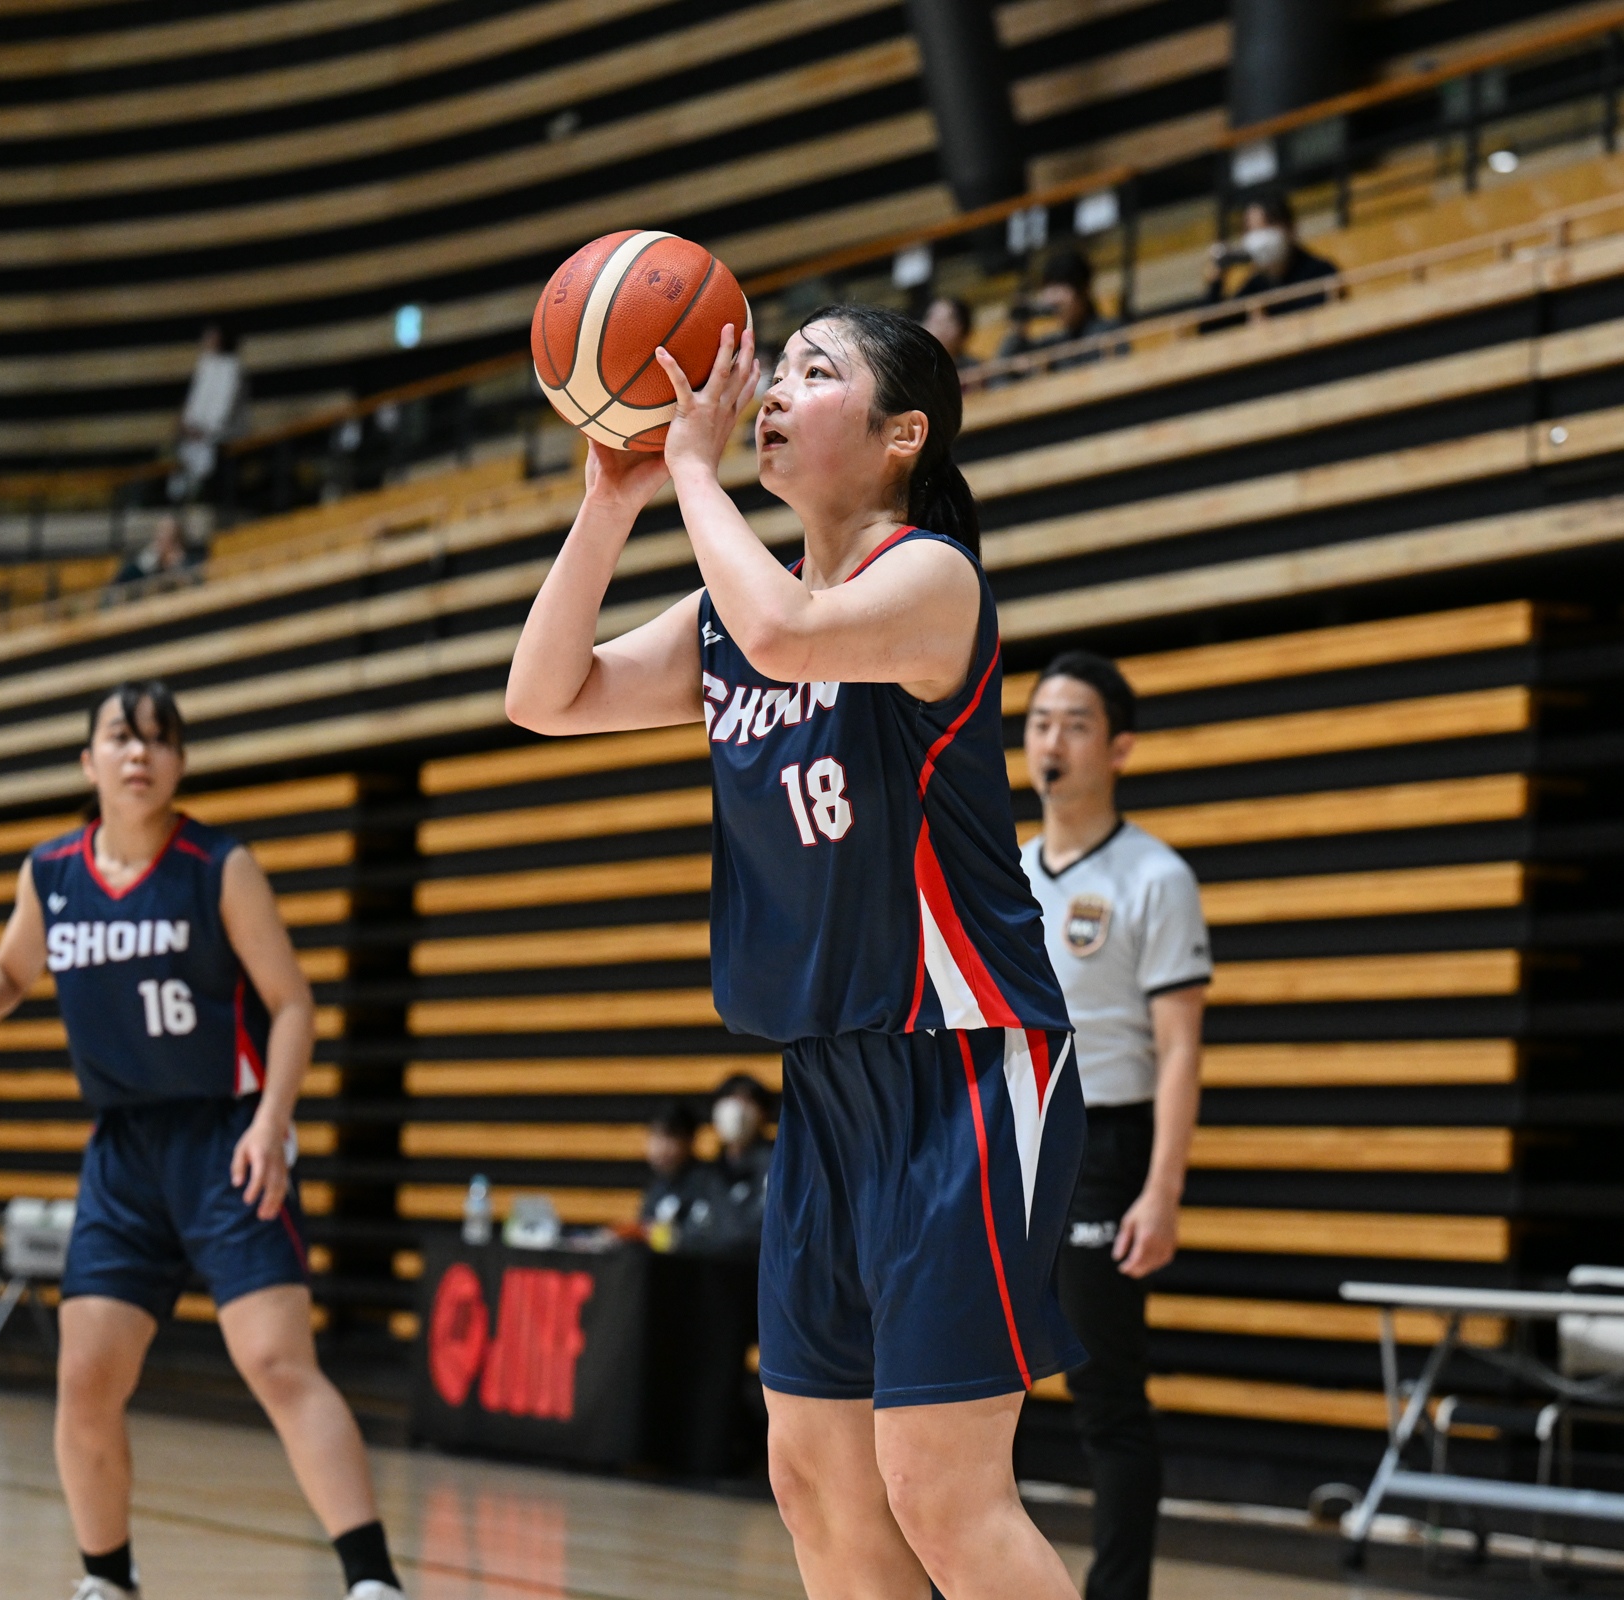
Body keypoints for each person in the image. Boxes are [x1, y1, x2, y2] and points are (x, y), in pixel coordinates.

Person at [506, 305, 1084, 1600]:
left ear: (901, 435)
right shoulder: (734, 615)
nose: (769, 390)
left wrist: (692, 473)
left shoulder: (932, 580)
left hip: (966, 1070)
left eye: (815, 372)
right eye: (780, 368)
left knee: (940, 1489)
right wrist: (610, 501)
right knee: (814, 1477)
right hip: (826, 1084)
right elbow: (544, 695)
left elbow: (781, 632)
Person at [0, 682, 404, 1600]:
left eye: (160, 740)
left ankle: (372, 1581)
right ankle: (107, 1580)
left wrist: (272, 1121)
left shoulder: (218, 866)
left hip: (225, 1140)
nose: (140, 754)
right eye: (122, 738)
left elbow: (292, 1004)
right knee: (86, 1375)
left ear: (180, 764)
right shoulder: (52, 872)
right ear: (88, 761)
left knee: (276, 1362)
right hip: (124, 1154)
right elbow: (12, 968)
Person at [1020, 654, 1210, 1600]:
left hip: (1106, 1145)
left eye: (1075, 723)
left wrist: (1161, 1191)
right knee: (968, 1389)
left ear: (1120, 748)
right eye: (1038, 721)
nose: (1050, 740)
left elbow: (1180, 1047)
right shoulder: (1005, 871)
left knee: (1107, 1398)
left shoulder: (1156, 877)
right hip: (1010, 1143)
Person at [1204, 193, 1338, 317]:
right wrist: (1216, 284)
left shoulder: (1321, 272)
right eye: (1251, 230)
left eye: (1267, 226)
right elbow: (1211, 327)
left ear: (1291, 228)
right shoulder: (1256, 286)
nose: (1259, 239)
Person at [999, 250, 1121, 372]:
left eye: (1059, 288)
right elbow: (1001, 371)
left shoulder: (1111, 332)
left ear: (1084, 290)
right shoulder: (1054, 344)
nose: (1053, 301)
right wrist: (1017, 330)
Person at [638, 1101, 728, 1248]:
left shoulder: (711, 1182)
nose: (661, 1147)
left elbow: (725, 1237)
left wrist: (678, 1239)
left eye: (669, 1137)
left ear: (690, 1140)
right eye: (656, 1137)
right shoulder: (657, 1186)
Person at [172, 324, 245, 504]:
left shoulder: (231, 367)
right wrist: (187, 423)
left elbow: (225, 404)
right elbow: (195, 401)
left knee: (209, 478)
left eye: (211, 337)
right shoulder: (205, 363)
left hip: (219, 435)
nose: (207, 341)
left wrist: (205, 429)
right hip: (195, 433)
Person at [707, 1072, 774, 1249]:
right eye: (730, 1099)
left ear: (764, 1113)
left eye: (746, 1100)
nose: (736, 1110)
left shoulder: (776, 1165)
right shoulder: (710, 1171)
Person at [919, 295, 974, 369]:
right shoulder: (917, 364)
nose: (927, 326)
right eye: (928, 318)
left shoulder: (974, 368)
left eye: (938, 322)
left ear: (958, 329)